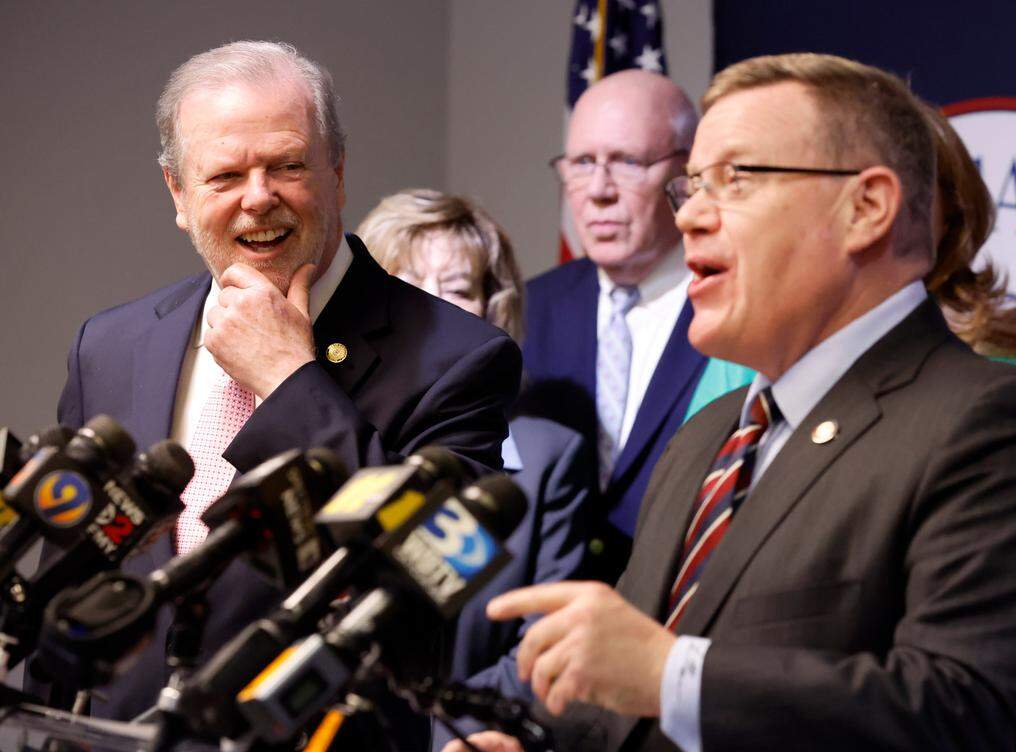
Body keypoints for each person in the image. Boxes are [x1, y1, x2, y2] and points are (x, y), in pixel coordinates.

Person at [447, 52, 1016, 752]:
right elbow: (626, 704)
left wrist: (674, 676)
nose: (691, 217)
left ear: (867, 207)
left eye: (735, 180)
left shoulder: (995, 427)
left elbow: (972, 716)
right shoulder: (706, 439)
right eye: (691, 186)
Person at [50, 42, 520, 745]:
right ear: (179, 196)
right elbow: (66, 583)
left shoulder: (462, 359)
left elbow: (429, 580)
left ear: (336, 173)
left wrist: (289, 382)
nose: (258, 196)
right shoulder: (109, 347)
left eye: (288, 165)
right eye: (225, 175)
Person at [355, 189, 589, 710]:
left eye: (457, 288)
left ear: (494, 307)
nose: (432, 307)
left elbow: (545, 643)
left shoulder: (550, 456)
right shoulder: (326, 423)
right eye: (405, 284)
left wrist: (442, 732)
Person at [683, 102, 1016, 421]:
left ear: (953, 211)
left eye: (914, 189)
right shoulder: (746, 352)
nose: (887, 209)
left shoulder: (1014, 370)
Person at [521, 69, 705, 583]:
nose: (597, 191)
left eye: (626, 161)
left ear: (686, 174)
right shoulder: (530, 309)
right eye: (581, 163)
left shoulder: (735, 302)